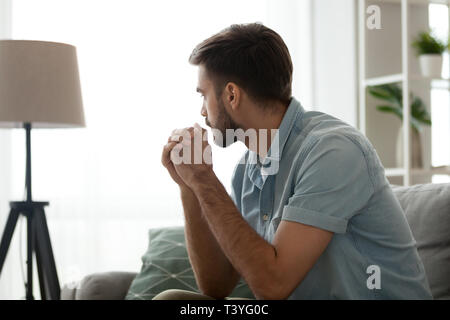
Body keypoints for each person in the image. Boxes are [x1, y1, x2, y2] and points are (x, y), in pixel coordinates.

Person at [158, 23, 432, 300]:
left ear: (231, 95)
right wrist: (190, 186)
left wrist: (204, 179)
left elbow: (273, 286)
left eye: (203, 95)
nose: (202, 110)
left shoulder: (332, 151)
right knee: (173, 301)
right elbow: (216, 287)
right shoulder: (246, 170)